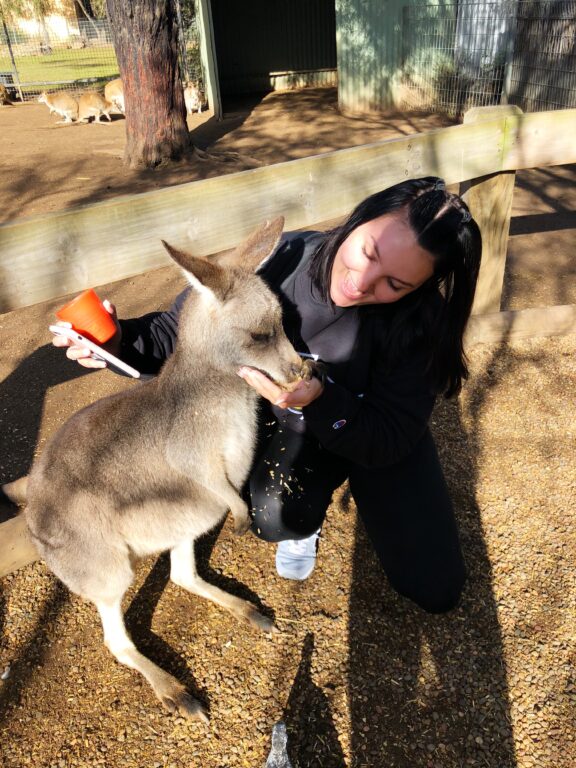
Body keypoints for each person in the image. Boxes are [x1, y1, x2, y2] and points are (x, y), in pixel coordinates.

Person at [53, 177, 482, 614]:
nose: (361, 283)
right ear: (359, 220)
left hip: (369, 424)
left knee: (435, 587)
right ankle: (309, 512)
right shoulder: (286, 258)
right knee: (276, 511)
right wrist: (117, 342)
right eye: (368, 253)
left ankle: (343, 479)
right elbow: (182, 335)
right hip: (292, 418)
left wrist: (321, 400)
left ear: (418, 288)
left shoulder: (422, 322)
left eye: (395, 283)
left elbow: (392, 432)